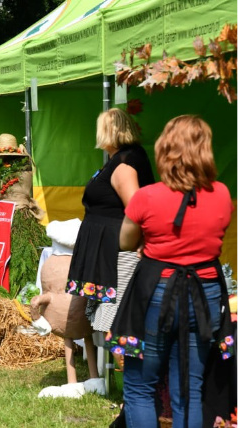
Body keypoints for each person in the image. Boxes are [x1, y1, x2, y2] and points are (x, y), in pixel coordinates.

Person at [110, 115, 234, 428]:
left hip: (156, 291)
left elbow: (125, 241)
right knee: (189, 389)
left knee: (140, 386)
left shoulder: (147, 196)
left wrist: (150, 238)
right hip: (205, 292)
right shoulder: (222, 195)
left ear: (165, 150)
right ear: (205, 151)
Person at [65, 108, 155, 323]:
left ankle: (116, 357)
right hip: (107, 248)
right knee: (105, 320)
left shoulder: (124, 163)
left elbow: (136, 209)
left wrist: (142, 242)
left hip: (115, 254)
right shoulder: (121, 158)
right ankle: (105, 356)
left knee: (113, 320)